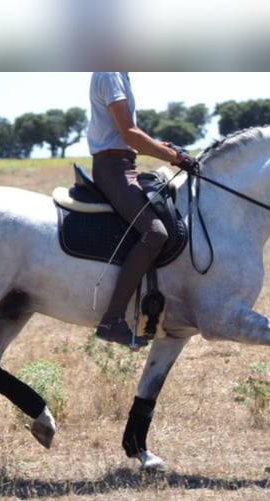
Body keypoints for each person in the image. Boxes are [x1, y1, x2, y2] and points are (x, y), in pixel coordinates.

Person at [88, 72, 197, 348]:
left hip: (125, 164)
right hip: (113, 169)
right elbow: (129, 134)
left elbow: (128, 137)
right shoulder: (110, 72)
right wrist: (173, 157)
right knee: (155, 233)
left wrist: (164, 148)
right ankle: (112, 320)